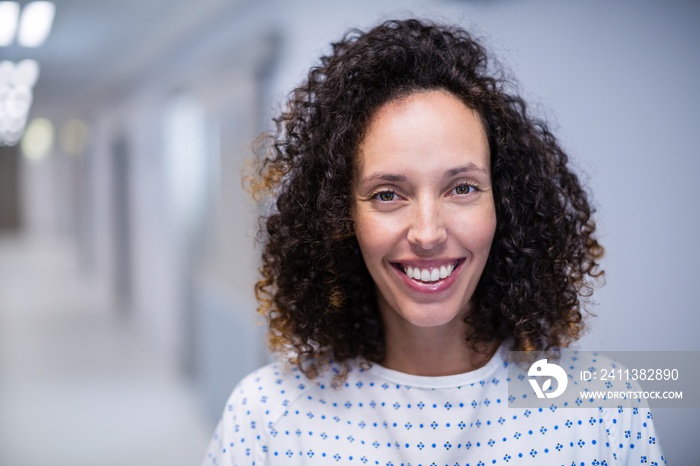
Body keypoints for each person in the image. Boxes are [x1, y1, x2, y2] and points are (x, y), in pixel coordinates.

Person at [202, 19, 666, 465]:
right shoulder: (266, 415)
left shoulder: (603, 403)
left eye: (462, 188)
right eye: (388, 194)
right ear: (340, 217)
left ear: (505, 203)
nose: (428, 234)